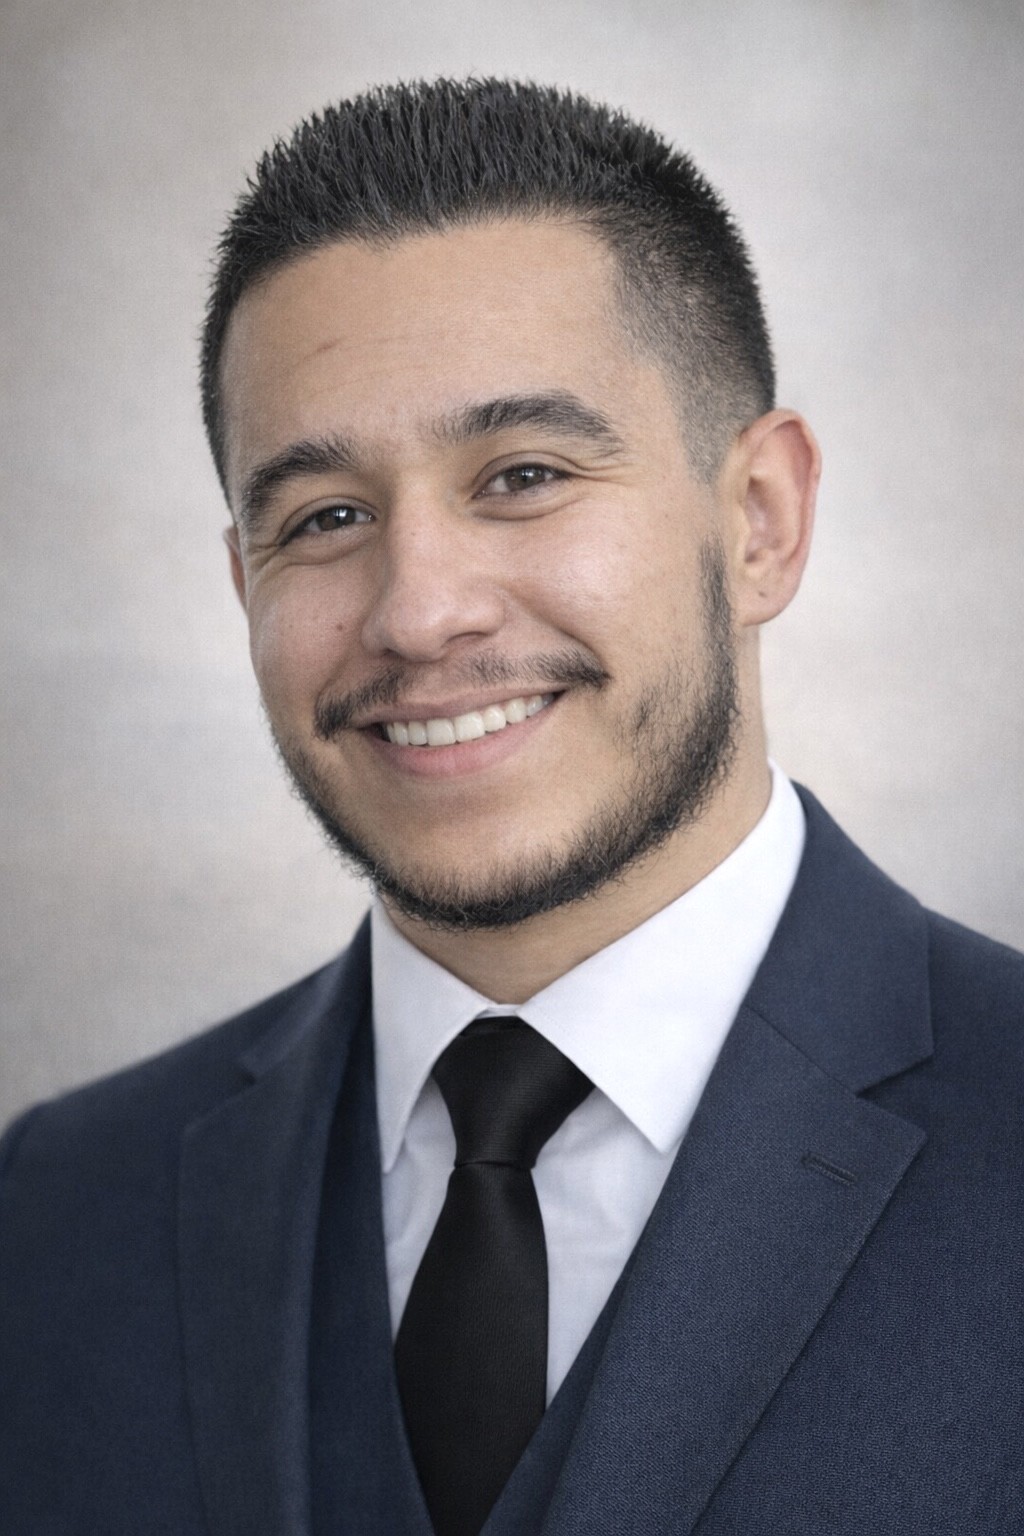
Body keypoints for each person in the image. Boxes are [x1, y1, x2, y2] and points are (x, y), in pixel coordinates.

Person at [1, 77, 1021, 1536]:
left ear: (759, 522)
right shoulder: (55, 1209)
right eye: (325, 517)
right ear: (244, 584)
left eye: (525, 475)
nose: (418, 612)